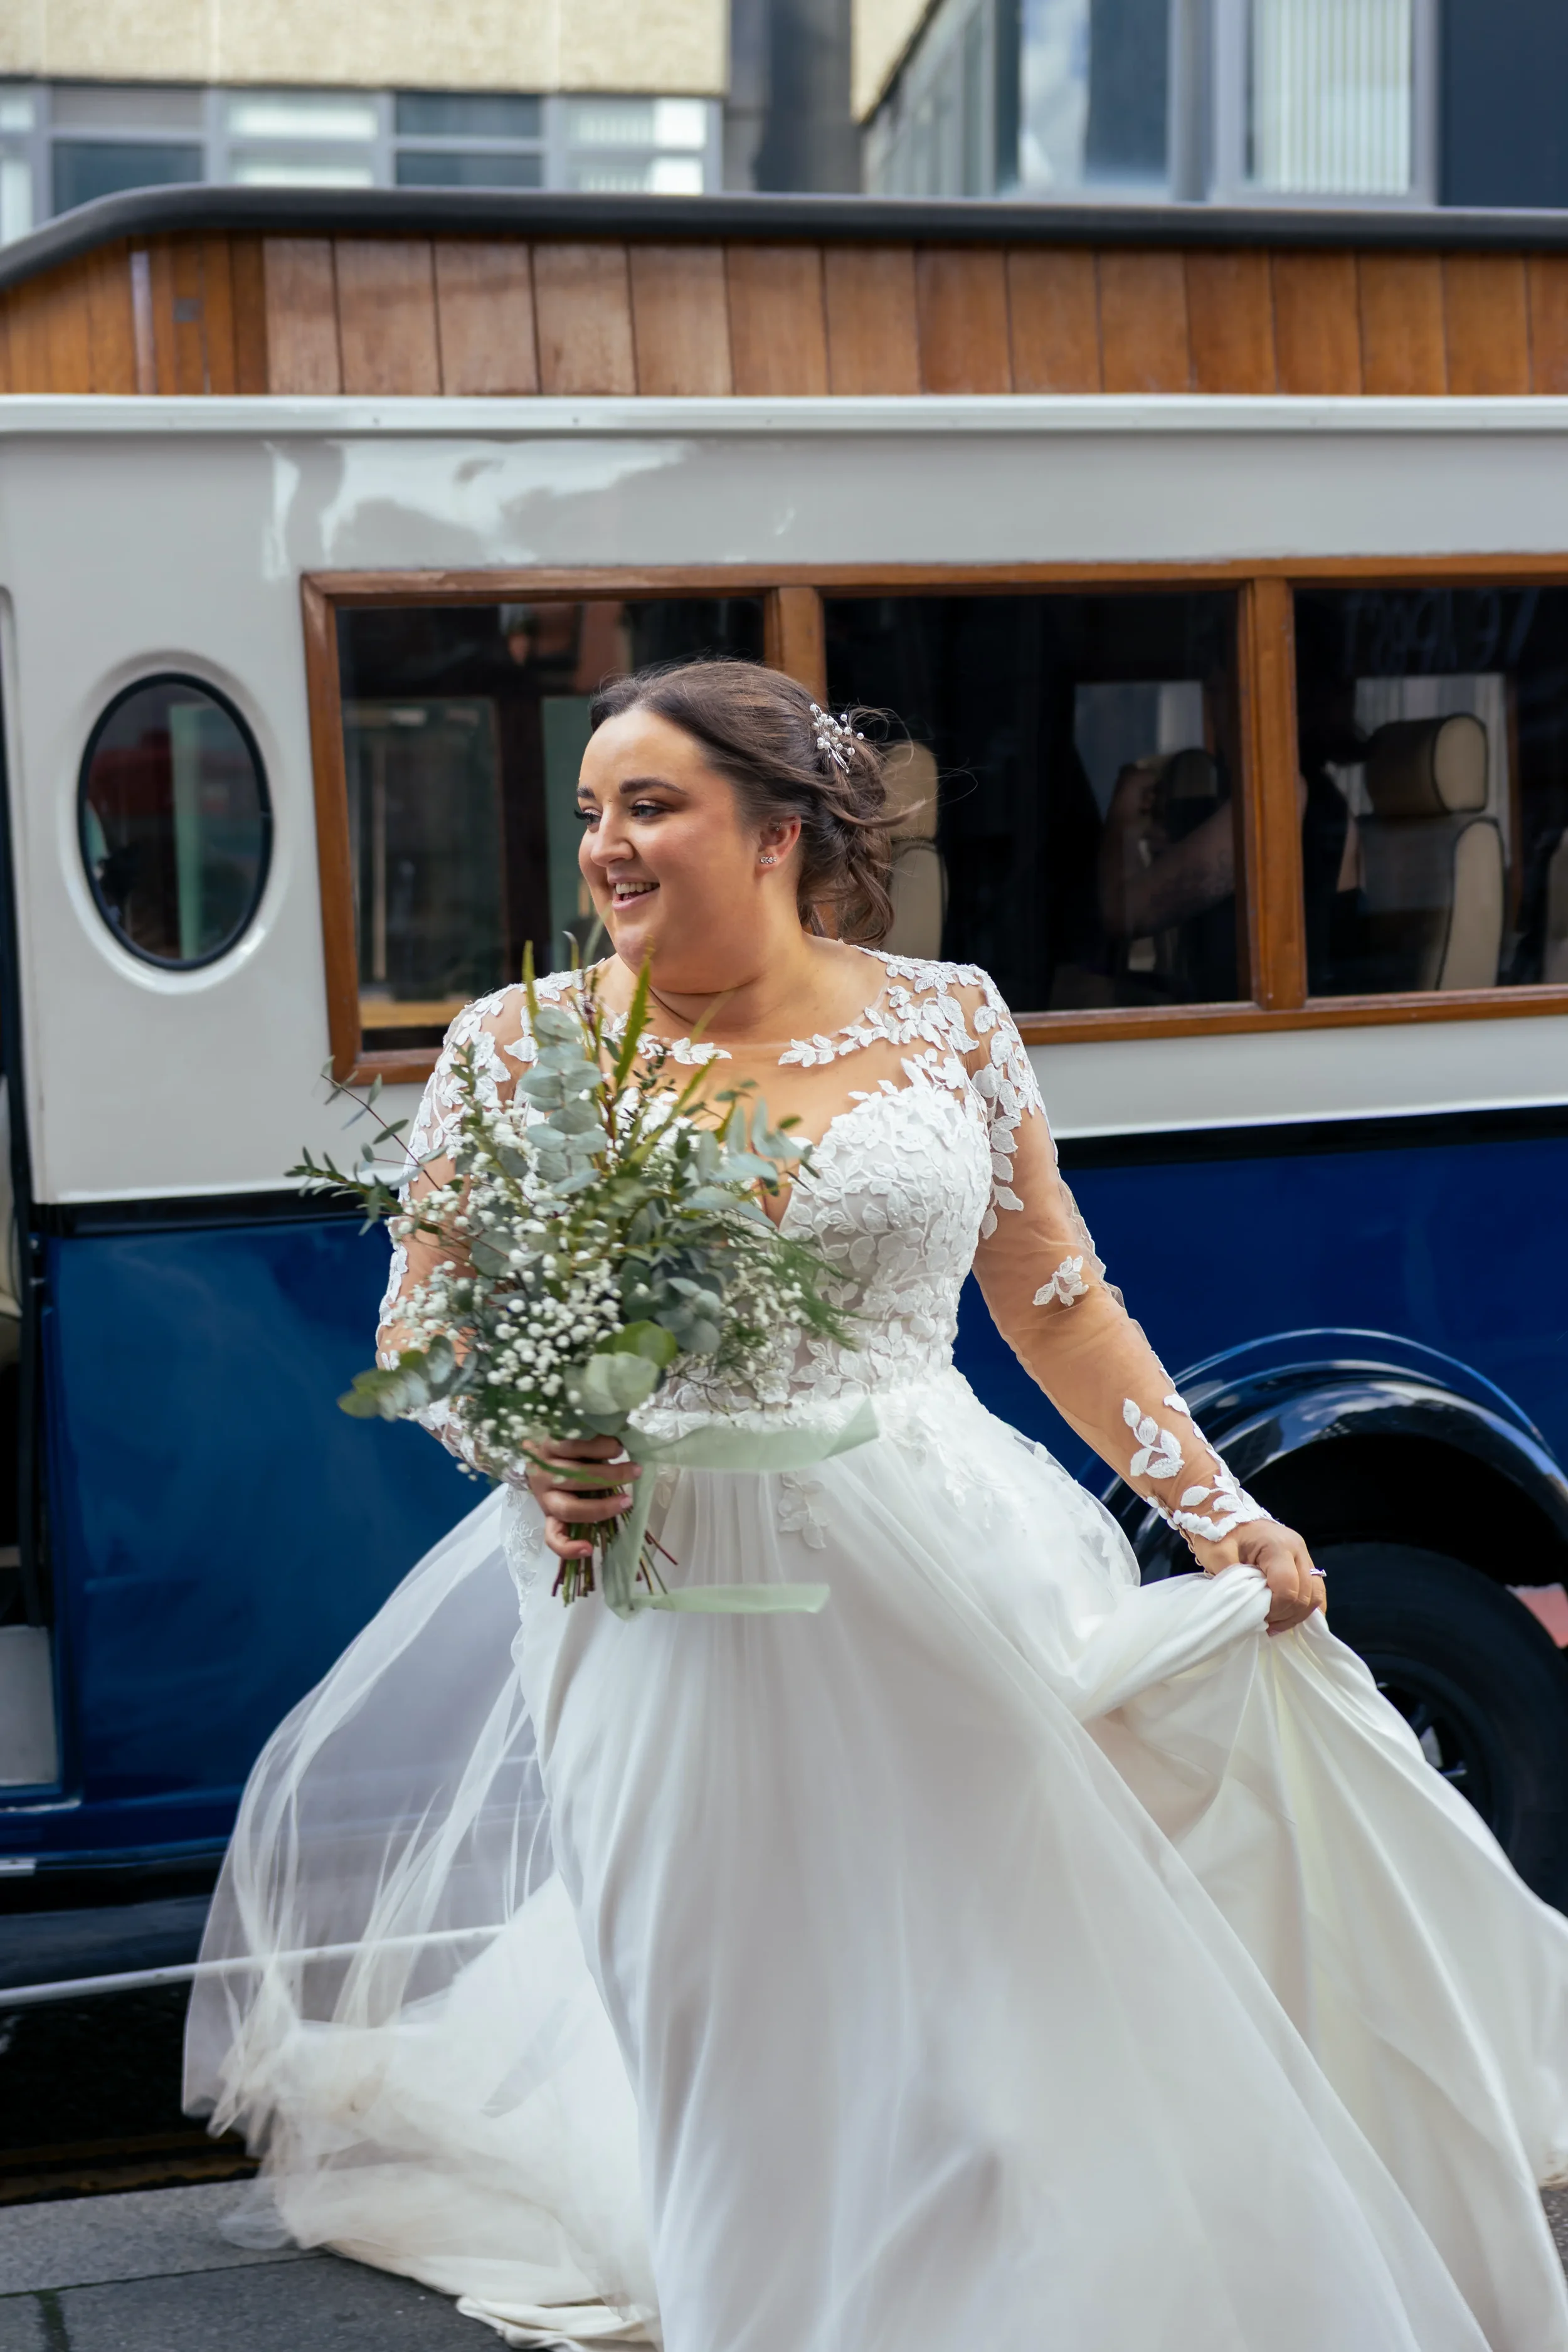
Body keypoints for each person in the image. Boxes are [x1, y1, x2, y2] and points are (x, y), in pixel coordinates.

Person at [188, 660, 1568, 2352]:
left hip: (939, 1558)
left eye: (648, 805)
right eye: (589, 813)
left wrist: (1217, 1512)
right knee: (715, 1997)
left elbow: (1056, 1298)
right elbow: (431, 1324)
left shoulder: (948, 1017)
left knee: (982, 1997)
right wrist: (533, 1438)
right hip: (647, 1582)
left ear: (773, 831)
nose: (605, 847)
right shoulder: (516, 1048)